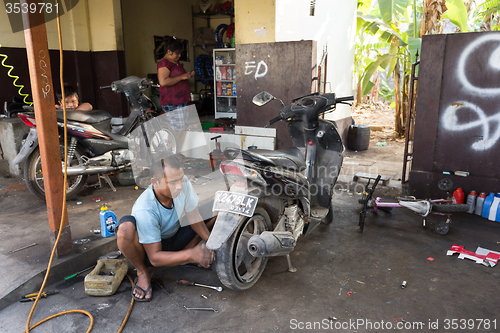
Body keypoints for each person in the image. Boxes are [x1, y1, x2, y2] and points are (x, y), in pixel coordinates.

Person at [116, 153, 215, 302]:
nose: (180, 186)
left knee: (218, 208)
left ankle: (185, 255)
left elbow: (193, 216)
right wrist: (193, 255)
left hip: (175, 237)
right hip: (152, 252)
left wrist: (210, 242)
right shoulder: (145, 208)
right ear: (155, 182)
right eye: (173, 182)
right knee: (125, 230)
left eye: (181, 179)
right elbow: (155, 258)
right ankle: (143, 273)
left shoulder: (182, 183)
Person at [157, 37, 195, 138]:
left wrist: (187, 75)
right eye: (177, 53)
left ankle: (175, 151)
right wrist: (182, 76)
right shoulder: (163, 63)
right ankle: (173, 151)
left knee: (181, 128)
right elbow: (163, 81)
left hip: (181, 101)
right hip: (172, 102)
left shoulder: (175, 62)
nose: (179, 55)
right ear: (169, 51)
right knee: (177, 129)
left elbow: (177, 77)